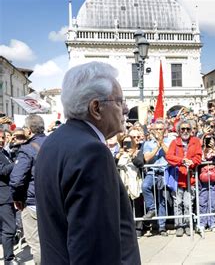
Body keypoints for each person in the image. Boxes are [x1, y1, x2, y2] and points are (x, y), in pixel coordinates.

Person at [34, 62, 140, 264]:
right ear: (96, 108)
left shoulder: (54, 142)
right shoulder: (92, 152)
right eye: (119, 101)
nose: (125, 109)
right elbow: (94, 248)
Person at [9, 114, 47, 264]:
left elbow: (16, 180)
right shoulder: (54, 143)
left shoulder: (27, 149)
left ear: (30, 130)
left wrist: (17, 198)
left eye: (24, 127)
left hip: (32, 203)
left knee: (36, 243)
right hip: (55, 201)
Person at [166, 120, 202, 237]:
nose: (185, 131)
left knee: (187, 203)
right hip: (177, 178)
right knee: (178, 203)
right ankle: (179, 226)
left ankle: (187, 224)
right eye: (183, 129)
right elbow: (169, 156)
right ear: (179, 130)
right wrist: (182, 161)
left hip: (190, 178)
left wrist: (191, 163)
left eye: (187, 129)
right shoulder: (174, 142)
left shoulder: (195, 141)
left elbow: (198, 156)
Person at [0, 129, 17, 264]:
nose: (2, 140)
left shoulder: (4, 152)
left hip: (6, 196)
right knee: (9, 228)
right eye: (0, 137)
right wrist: (16, 164)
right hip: (3, 198)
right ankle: (9, 259)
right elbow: (2, 171)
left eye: (3, 138)